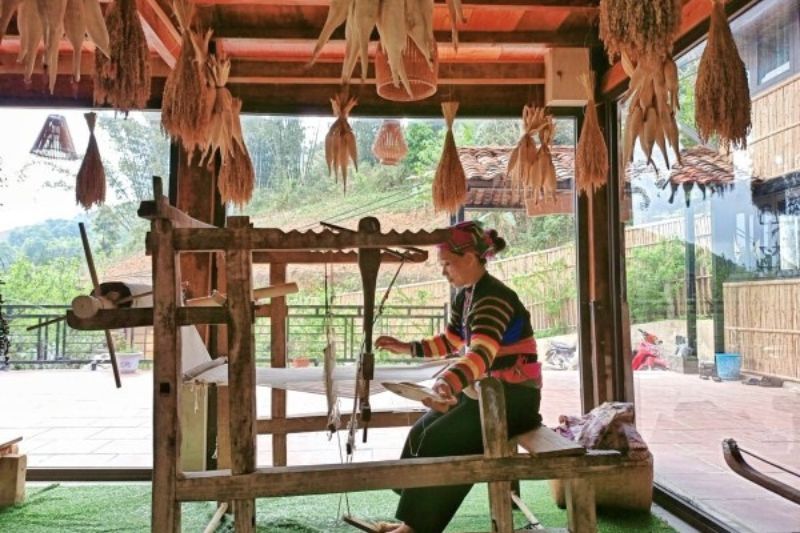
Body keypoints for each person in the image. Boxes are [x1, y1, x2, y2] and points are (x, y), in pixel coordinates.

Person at [375, 221, 543, 533]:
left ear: (469, 257)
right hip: (487, 396)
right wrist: (404, 347)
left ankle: (417, 529)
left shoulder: (494, 298)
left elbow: (481, 353)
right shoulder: (466, 297)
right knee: (421, 432)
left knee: (444, 439)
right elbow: (449, 341)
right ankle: (409, 522)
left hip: (515, 401)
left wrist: (447, 383)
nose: (444, 272)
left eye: (447, 264)